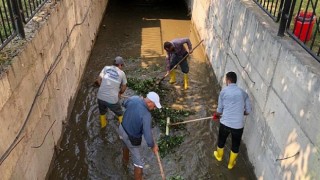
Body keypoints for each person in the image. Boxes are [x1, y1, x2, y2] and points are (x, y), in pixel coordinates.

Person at [118, 92, 161, 180]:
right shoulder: (147, 115)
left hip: (121, 129)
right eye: (155, 106)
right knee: (139, 164)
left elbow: (124, 103)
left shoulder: (134, 99)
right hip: (131, 138)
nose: (155, 108)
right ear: (150, 102)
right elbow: (148, 136)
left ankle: (124, 164)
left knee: (125, 147)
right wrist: (153, 146)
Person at [213, 71, 252, 169]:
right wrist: (239, 113)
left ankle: (219, 157)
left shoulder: (223, 92)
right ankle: (230, 165)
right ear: (235, 80)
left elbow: (220, 110)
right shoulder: (244, 93)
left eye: (226, 80)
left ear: (228, 80)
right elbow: (248, 111)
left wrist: (216, 116)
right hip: (238, 126)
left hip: (225, 123)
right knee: (235, 145)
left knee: (221, 141)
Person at [95, 56, 127, 128]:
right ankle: (124, 130)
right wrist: (120, 93)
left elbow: (98, 80)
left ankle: (103, 126)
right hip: (112, 99)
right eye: (122, 65)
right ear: (119, 65)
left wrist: (103, 87)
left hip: (100, 97)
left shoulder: (106, 68)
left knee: (102, 113)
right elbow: (124, 87)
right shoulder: (122, 73)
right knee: (120, 113)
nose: (121, 67)